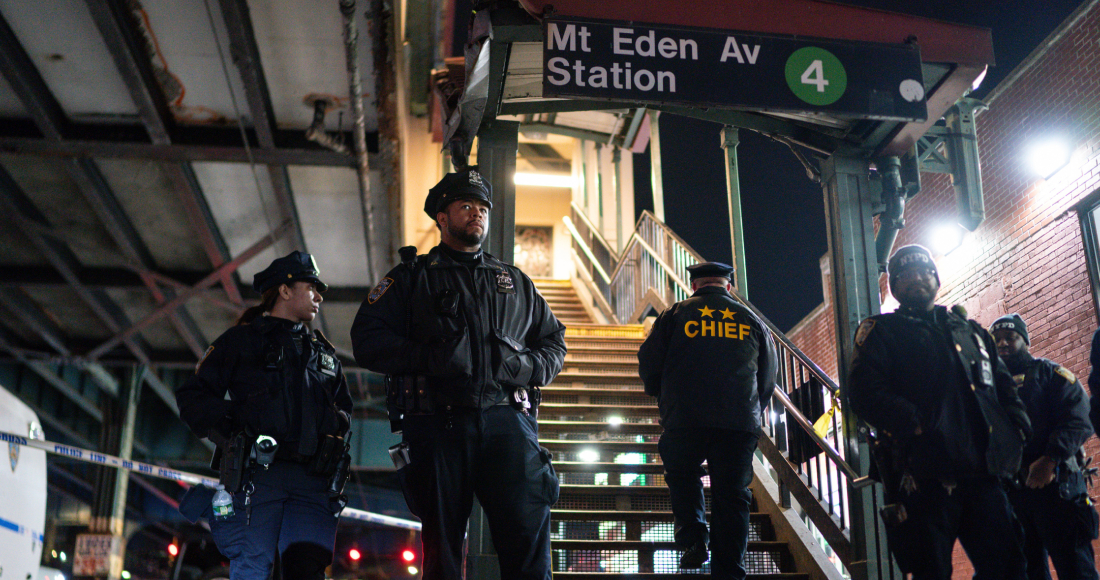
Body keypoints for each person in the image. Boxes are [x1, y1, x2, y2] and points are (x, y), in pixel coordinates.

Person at [350, 168, 567, 580]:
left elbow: (554, 343)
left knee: (528, 539)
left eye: (482, 207)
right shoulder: (411, 278)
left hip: (509, 423)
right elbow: (367, 340)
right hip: (438, 424)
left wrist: (524, 368)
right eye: (466, 205)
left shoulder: (515, 282)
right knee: (443, 547)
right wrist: (431, 357)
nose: (477, 214)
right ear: (442, 218)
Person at [848, 244, 1032, 580]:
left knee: (1010, 567)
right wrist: (917, 424)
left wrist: (1017, 430)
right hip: (923, 476)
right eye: (904, 276)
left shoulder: (971, 331)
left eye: (922, 272)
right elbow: (864, 393)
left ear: (935, 278)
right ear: (894, 287)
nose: (915, 280)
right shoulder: (881, 331)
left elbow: (1004, 390)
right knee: (929, 571)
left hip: (984, 474)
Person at [175, 251, 353, 580]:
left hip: (313, 483)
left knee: (308, 570)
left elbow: (345, 415)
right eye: (311, 287)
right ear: (284, 290)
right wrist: (237, 423)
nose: (318, 297)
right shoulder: (241, 342)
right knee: (252, 569)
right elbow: (193, 398)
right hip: (259, 477)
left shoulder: (325, 356)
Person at [637, 261, 778, 578]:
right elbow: (768, 376)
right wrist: (755, 409)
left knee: (684, 477)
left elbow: (649, 362)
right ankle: (729, 567)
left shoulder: (674, 314)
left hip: (685, 418)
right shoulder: (752, 320)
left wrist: (660, 395)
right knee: (733, 495)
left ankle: (693, 543)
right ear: (728, 287)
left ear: (694, 286)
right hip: (738, 421)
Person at [991, 314, 1098, 580]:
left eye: (1011, 337)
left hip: (1056, 486)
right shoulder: (988, 388)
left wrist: (1050, 459)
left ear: (1025, 340)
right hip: (1013, 492)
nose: (1003, 343)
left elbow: (1079, 419)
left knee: (1075, 567)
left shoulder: (1050, 374)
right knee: (1027, 570)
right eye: (998, 340)